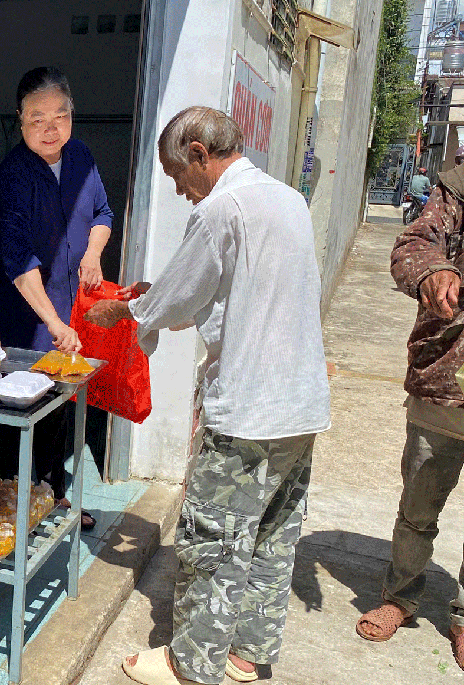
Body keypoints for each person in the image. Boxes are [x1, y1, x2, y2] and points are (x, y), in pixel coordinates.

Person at [85, 106, 331, 685]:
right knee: (271, 534)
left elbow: (176, 299)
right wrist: (162, 295)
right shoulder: (286, 199)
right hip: (299, 404)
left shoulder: (223, 206)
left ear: (199, 153)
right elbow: (227, 287)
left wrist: (123, 308)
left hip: (247, 405)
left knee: (214, 539)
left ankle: (191, 662)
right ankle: (249, 654)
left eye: (178, 175)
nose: (179, 190)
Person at [0, 66, 115, 530]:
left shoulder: (80, 157)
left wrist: (94, 254)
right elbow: (19, 262)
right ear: (20, 120)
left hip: (68, 308)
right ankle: (4, 505)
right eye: (37, 118)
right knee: (14, 408)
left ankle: (53, 496)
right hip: (25, 314)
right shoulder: (13, 176)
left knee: (58, 406)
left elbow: (102, 211)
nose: (50, 128)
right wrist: (54, 324)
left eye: (60, 115)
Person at [354, 157, 464, 669]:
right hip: (445, 377)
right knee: (419, 504)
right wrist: (435, 271)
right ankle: (400, 596)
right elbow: (413, 246)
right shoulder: (457, 187)